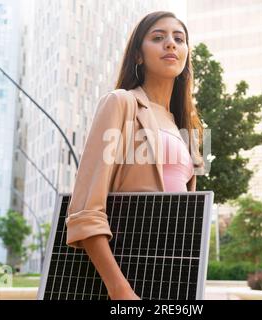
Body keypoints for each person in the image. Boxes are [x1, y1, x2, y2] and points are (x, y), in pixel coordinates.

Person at [65, 11, 204, 300]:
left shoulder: (185, 128)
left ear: (186, 55)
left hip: (174, 277)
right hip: (128, 274)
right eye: (158, 37)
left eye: (179, 39)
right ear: (138, 55)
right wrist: (120, 290)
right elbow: (86, 211)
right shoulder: (121, 103)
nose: (171, 44)